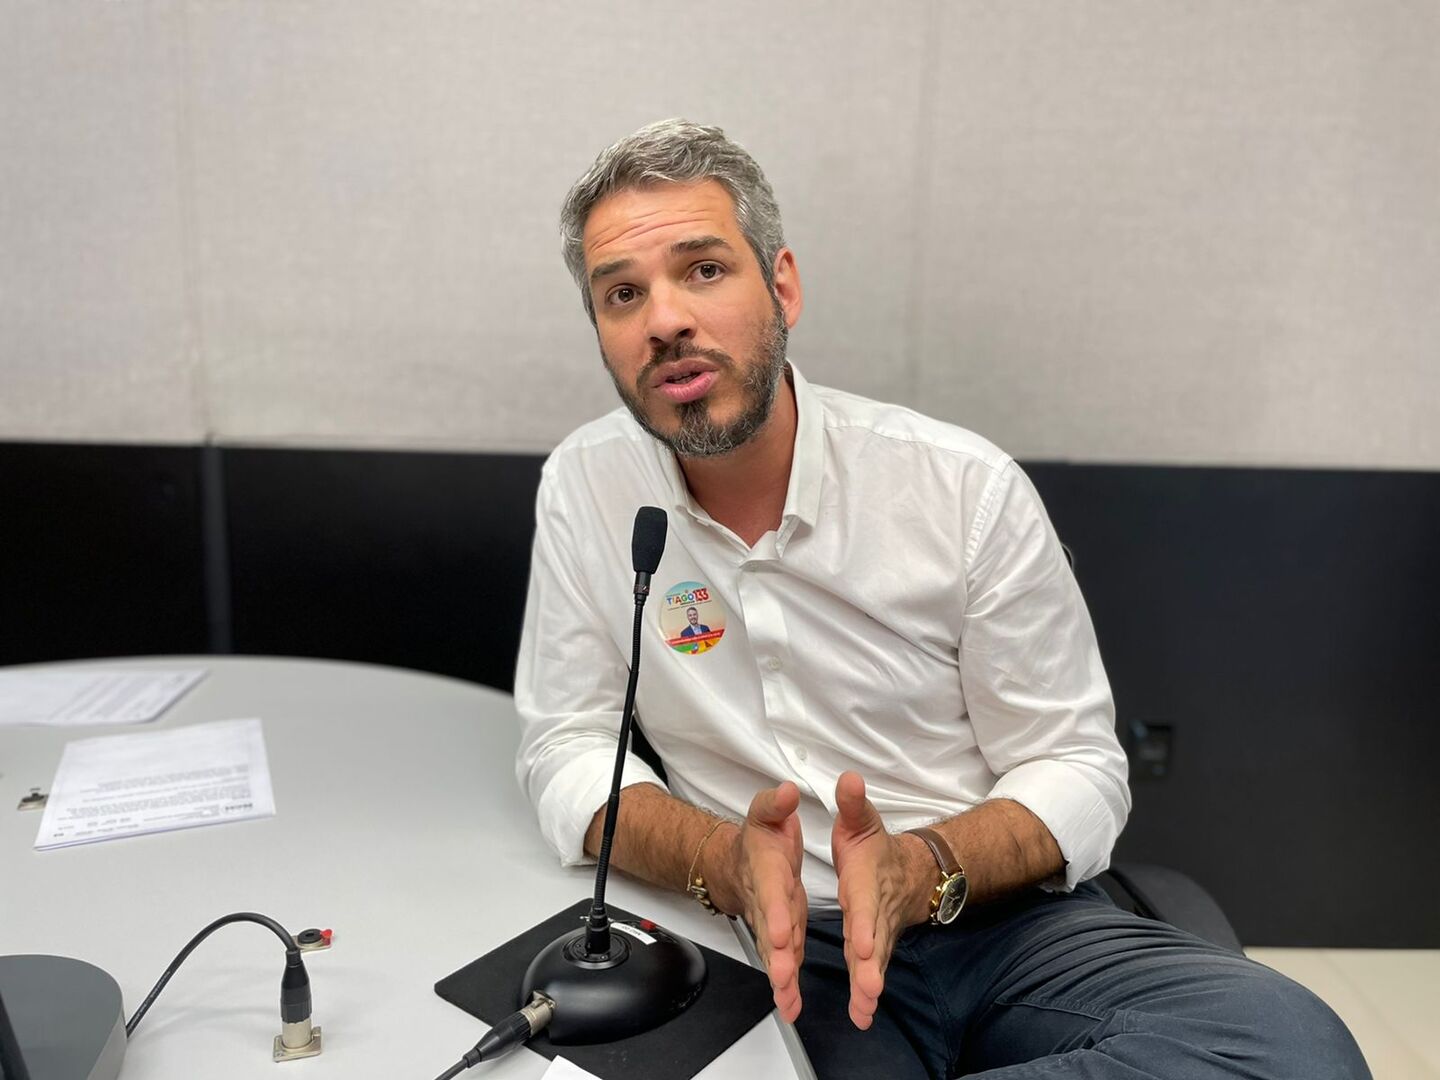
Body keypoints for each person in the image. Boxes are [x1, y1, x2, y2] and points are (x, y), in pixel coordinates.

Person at [514, 119, 1368, 1079]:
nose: (664, 318)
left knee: (1297, 1052)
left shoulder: (962, 488)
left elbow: (1077, 763)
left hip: (996, 918)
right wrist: (717, 859)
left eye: (703, 269)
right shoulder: (587, 485)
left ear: (782, 285)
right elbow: (569, 741)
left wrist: (923, 870)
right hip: (774, 948)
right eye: (622, 293)